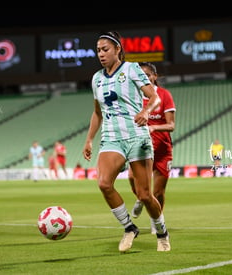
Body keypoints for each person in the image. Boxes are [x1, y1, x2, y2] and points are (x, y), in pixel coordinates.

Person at [82, 31, 170, 252]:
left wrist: (146, 111)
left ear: (117, 49)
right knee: (103, 183)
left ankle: (162, 232)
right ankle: (129, 228)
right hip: (112, 138)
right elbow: (97, 112)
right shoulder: (96, 79)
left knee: (144, 195)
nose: (101, 54)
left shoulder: (131, 69)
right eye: (98, 50)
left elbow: (154, 97)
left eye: (105, 49)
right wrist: (89, 140)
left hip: (136, 136)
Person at [128, 62, 176, 235]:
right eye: (141, 75)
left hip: (162, 149)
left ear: (154, 76)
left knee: (158, 191)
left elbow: (171, 125)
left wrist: (154, 128)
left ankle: (156, 221)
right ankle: (141, 199)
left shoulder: (164, 95)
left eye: (147, 75)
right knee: (132, 178)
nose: (144, 78)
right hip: (141, 147)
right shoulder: (135, 96)